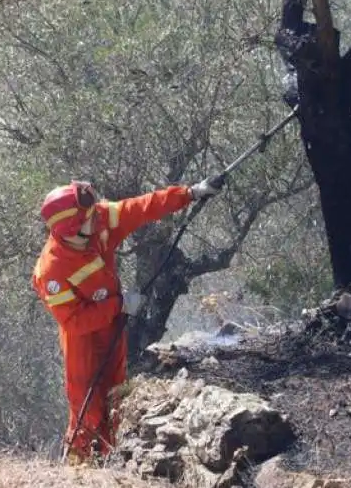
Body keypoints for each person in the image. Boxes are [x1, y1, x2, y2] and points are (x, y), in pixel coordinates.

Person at [31, 178, 222, 464]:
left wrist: (188, 194)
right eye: (89, 218)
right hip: (82, 341)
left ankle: (109, 467)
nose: (97, 218)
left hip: (111, 328)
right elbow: (74, 322)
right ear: (70, 229)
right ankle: (76, 472)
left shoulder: (96, 219)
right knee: (87, 410)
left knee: (115, 399)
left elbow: (140, 207)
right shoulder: (52, 271)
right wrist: (117, 305)